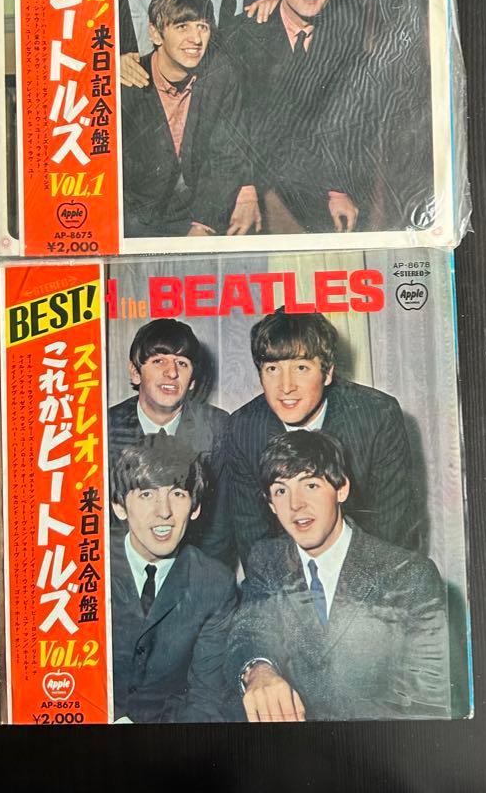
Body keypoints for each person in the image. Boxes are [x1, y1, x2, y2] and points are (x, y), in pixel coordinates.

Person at [227, 430, 449, 721]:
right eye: (281, 491)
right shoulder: (267, 560)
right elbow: (249, 631)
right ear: (271, 505)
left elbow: (428, 702)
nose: (295, 504)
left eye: (310, 485)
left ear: (341, 489)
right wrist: (258, 670)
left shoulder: (410, 575)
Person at [223, 307, 421, 567]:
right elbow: (254, 543)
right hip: (288, 576)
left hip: (368, 570)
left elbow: (393, 530)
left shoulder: (377, 416)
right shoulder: (243, 428)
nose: (286, 386)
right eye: (272, 369)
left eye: (301, 367)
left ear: (327, 373)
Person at [227, 0, 369, 233]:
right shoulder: (245, 34)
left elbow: (343, 121)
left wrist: (337, 190)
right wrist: (245, 187)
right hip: (249, 175)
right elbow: (230, 120)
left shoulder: (344, 37)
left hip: (309, 176)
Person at [109, 439, 238, 723]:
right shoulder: (85, 568)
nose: (164, 511)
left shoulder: (214, 583)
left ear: (195, 508)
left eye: (178, 494)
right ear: (119, 506)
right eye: (146, 494)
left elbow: (207, 700)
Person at [120, 0, 260, 238]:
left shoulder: (220, 75)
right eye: (182, 26)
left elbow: (226, 156)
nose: (195, 39)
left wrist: (203, 224)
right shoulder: (128, 80)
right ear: (155, 34)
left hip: (194, 210)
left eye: (202, 27)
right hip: (134, 216)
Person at [108, 318, 230, 559]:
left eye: (182, 364)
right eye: (159, 361)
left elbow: (219, 528)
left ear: (192, 381)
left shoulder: (217, 427)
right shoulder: (105, 428)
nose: (172, 372)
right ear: (135, 372)